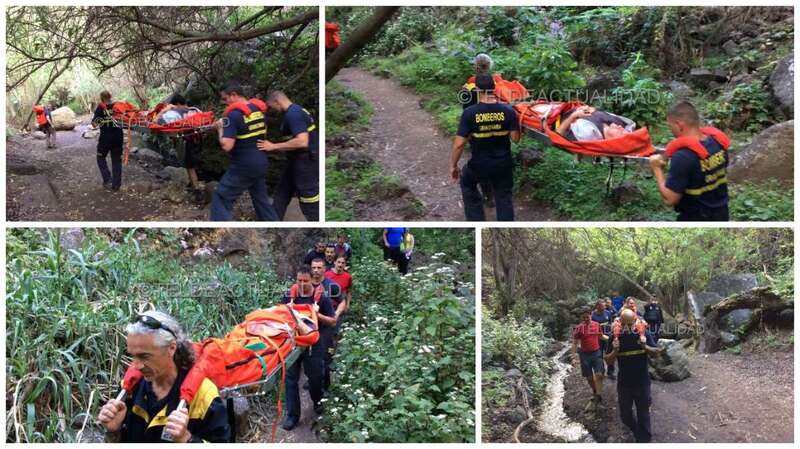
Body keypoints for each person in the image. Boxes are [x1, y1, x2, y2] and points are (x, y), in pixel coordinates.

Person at [97, 311, 230, 442]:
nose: (137, 366)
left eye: (144, 356)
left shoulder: (204, 395)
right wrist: (114, 431)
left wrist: (186, 439)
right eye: (133, 356)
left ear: (171, 348)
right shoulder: (129, 390)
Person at [450, 74, 521, 221]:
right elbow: (515, 139)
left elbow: (459, 144)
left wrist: (454, 166)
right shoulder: (508, 111)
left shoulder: (469, 113)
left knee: (467, 184)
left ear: (476, 89)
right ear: (495, 88)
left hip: (479, 165)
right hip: (503, 164)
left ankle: (476, 221)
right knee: (504, 197)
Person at [649, 101, 730, 221]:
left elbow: (670, 199)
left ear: (679, 125)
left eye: (670, 126)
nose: (671, 130)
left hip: (695, 217)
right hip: (722, 214)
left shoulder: (683, 156)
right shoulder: (718, 143)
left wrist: (657, 169)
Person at [209, 82, 278, 221]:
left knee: (220, 198)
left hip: (243, 166)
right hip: (260, 162)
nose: (224, 103)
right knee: (262, 202)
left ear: (233, 95)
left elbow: (226, 145)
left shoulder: (233, 115)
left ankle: (222, 229)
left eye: (225, 99)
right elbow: (261, 133)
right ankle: (274, 225)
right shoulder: (258, 110)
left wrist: (220, 128)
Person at [281, 266, 336, 430]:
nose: (302, 284)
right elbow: (279, 315)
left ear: (312, 280)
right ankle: (292, 416)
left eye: (305, 280)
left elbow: (332, 321)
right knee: (290, 380)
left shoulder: (322, 298)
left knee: (315, 378)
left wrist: (317, 315)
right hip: (293, 343)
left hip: (314, 344)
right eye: (299, 280)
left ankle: (318, 401)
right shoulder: (288, 296)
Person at [258, 90, 319, 221]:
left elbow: (302, 141)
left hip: (305, 163)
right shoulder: (297, 110)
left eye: (271, 106)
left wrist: (274, 146)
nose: (271, 109)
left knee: (309, 198)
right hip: (296, 160)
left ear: (277, 101)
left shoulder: (293, 114)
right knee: (282, 193)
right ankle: (272, 221)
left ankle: (315, 222)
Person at [605, 309, 661, 443]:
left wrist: (644, 346)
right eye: (626, 324)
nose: (629, 327)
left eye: (631, 324)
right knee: (625, 415)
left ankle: (645, 439)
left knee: (643, 413)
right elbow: (608, 360)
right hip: (624, 383)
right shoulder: (615, 336)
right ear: (620, 322)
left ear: (635, 321)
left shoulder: (643, 333)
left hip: (642, 381)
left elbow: (656, 352)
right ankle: (636, 431)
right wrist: (615, 350)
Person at [460, 53, 497, 207]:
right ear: (489, 66)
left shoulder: (468, 86)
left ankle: (488, 195)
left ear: (476, 66)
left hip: (477, 130)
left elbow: (465, 109)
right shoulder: (496, 82)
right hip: (497, 128)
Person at [157, 94, 203, 202]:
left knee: (190, 167)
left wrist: (163, 111)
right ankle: (195, 185)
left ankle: (197, 192)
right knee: (194, 165)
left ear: (176, 104)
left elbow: (156, 122)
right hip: (199, 141)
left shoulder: (172, 113)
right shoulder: (195, 110)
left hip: (186, 142)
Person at [310, 258, 341, 394]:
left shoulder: (331, 285)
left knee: (325, 356)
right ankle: (315, 381)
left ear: (324, 269)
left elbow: (342, 301)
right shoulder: (306, 284)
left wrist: (336, 314)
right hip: (310, 327)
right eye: (314, 267)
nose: (316, 270)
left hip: (326, 326)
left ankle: (326, 385)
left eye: (319, 267)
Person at [572, 309, 608, 405]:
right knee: (589, 378)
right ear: (581, 318)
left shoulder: (596, 325)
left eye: (587, 317)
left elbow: (601, 336)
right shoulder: (579, 328)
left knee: (599, 375)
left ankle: (599, 395)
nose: (586, 319)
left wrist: (611, 338)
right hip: (584, 355)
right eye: (584, 318)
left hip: (596, 352)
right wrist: (574, 355)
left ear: (590, 315)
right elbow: (575, 342)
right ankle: (595, 390)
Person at [91, 91, 125, 191]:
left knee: (100, 158)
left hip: (105, 139)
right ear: (110, 96)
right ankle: (116, 185)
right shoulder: (117, 106)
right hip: (118, 138)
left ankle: (107, 179)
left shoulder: (100, 108)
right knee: (116, 161)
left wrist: (101, 119)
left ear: (101, 98)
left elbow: (94, 124)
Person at [556, 105, 635, 141]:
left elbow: (558, 134)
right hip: (573, 106)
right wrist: (590, 108)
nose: (621, 127)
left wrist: (574, 115)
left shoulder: (588, 134)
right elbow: (597, 112)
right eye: (624, 129)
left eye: (621, 132)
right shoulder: (619, 122)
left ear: (613, 141)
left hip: (557, 115)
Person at [591, 299, 616, 380]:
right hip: (597, 338)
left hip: (608, 337)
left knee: (609, 353)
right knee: (599, 355)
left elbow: (611, 322)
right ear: (597, 306)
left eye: (605, 305)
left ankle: (610, 372)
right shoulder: (593, 315)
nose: (605, 307)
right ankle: (601, 371)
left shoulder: (607, 313)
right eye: (603, 306)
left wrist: (612, 332)